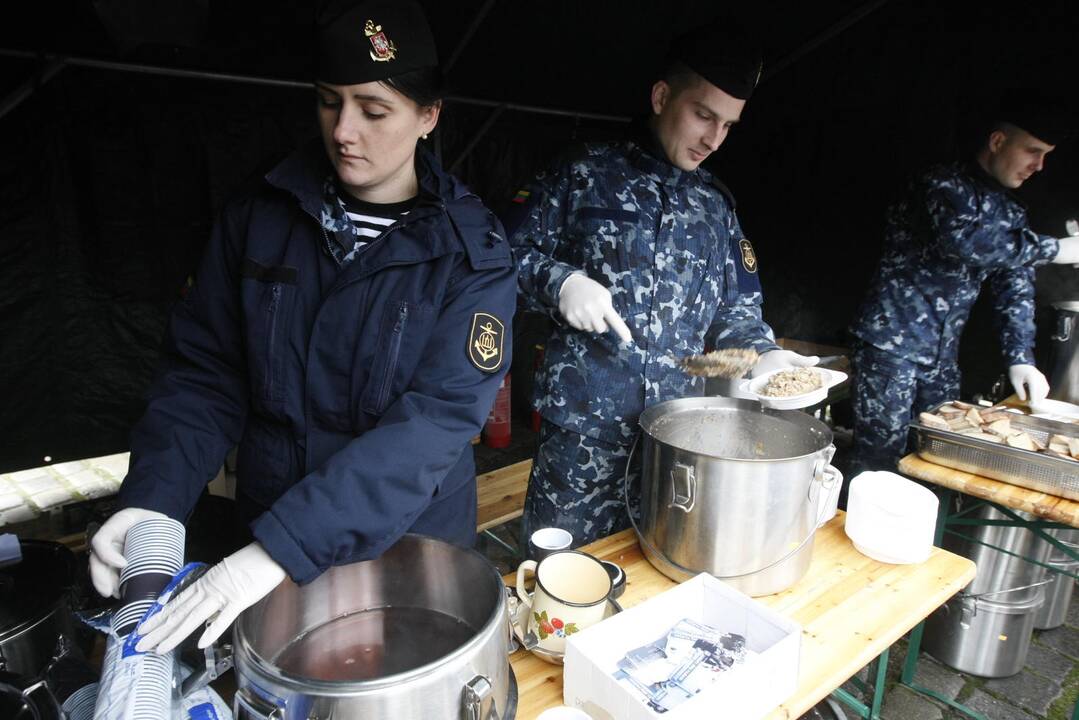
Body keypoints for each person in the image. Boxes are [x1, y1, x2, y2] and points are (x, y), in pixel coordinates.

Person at [88, 0, 516, 654]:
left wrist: (276, 551)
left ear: (427, 117)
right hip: (265, 521)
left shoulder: (471, 254)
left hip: (403, 548)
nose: (344, 130)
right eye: (327, 101)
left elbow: (429, 427)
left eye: (374, 111)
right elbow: (206, 372)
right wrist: (153, 497)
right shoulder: (262, 216)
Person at [506, 20, 816, 549]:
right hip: (584, 434)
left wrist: (763, 355)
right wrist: (561, 282)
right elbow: (502, 255)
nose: (714, 139)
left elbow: (737, 309)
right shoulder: (585, 172)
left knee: (655, 580)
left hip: (676, 441)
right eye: (703, 115)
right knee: (557, 580)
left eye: (728, 126)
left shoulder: (716, 208)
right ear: (661, 96)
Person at [849, 90, 1079, 475]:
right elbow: (969, 243)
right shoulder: (941, 185)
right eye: (1032, 151)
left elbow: (1014, 285)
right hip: (890, 349)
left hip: (942, 360)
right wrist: (1055, 248)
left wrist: (1021, 356)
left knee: (935, 463)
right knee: (877, 465)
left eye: (1046, 156)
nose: (1039, 166)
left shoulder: (1011, 210)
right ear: (998, 141)